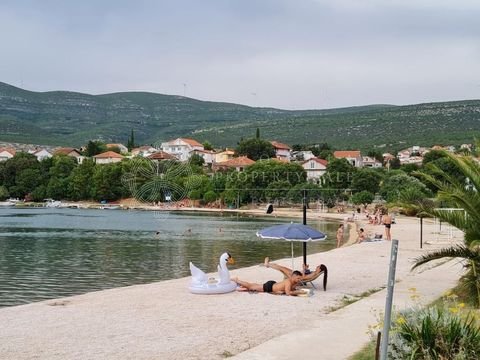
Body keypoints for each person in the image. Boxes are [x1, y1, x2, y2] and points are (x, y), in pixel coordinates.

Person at [233, 270, 304, 296]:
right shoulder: (288, 282)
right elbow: (288, 293)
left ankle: (241, 284)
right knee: (251, 287)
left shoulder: (291, 281)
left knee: (255, 285)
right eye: (298, 278)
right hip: (269, 287)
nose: (299, 280)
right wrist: (298, 292)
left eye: (299, 279)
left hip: (273, 284)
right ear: (293, 276)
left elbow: (291, 289)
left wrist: (304, 269)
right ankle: (237, 280)